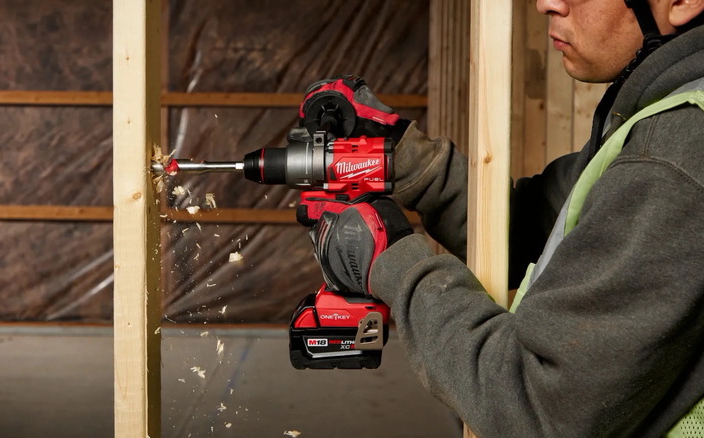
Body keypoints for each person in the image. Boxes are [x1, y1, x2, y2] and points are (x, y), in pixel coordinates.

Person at [301, 0, 704, 436]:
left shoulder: (670, 157)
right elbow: (536, 227)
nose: (546, 3)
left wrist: (389, 258)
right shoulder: (658, 116)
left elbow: (535, 407)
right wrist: (403, 158)